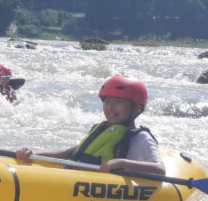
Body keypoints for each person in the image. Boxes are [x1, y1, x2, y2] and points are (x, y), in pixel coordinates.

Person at [15, 75, 165, 175]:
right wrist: (33, 154)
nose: (110, 108)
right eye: (107, 102)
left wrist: (122, 162)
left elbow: (160, 169)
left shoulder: (141, 138)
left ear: (137, 108)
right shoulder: (102, 129)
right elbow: (68, 153)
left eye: (118, 102)